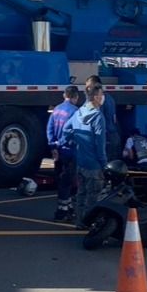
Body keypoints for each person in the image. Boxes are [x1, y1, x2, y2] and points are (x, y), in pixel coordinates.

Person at [63, 82, 107, 228]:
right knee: (94, 197)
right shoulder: (98, 117)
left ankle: (80, 222)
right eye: (101, 95)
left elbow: (66, 129)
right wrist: (103, 163)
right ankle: (91, 224)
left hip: (81, 161)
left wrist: (73, 141)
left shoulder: (79, 112)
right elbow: (100, 144)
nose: (103, 97)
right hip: (94, 163)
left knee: (81, 194)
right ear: (95, 97)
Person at [46, 85, 81, 221]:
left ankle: (68, 207)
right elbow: (72, 132)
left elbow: (49, 129)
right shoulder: (75, 112)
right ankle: (62, 211)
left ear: (64, 95)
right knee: (68, 182)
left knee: (61, 180)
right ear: (76, 97)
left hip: (57, 152)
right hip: (69, 151)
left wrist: (53, 146)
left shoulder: (56, 109)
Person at [85, 75, 119, 163]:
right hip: (113, 135)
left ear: (96, 85)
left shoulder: (98, 100)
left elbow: (96, 120)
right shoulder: (110, 98)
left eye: (89, 87)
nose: (87, 90)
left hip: (105, 137)